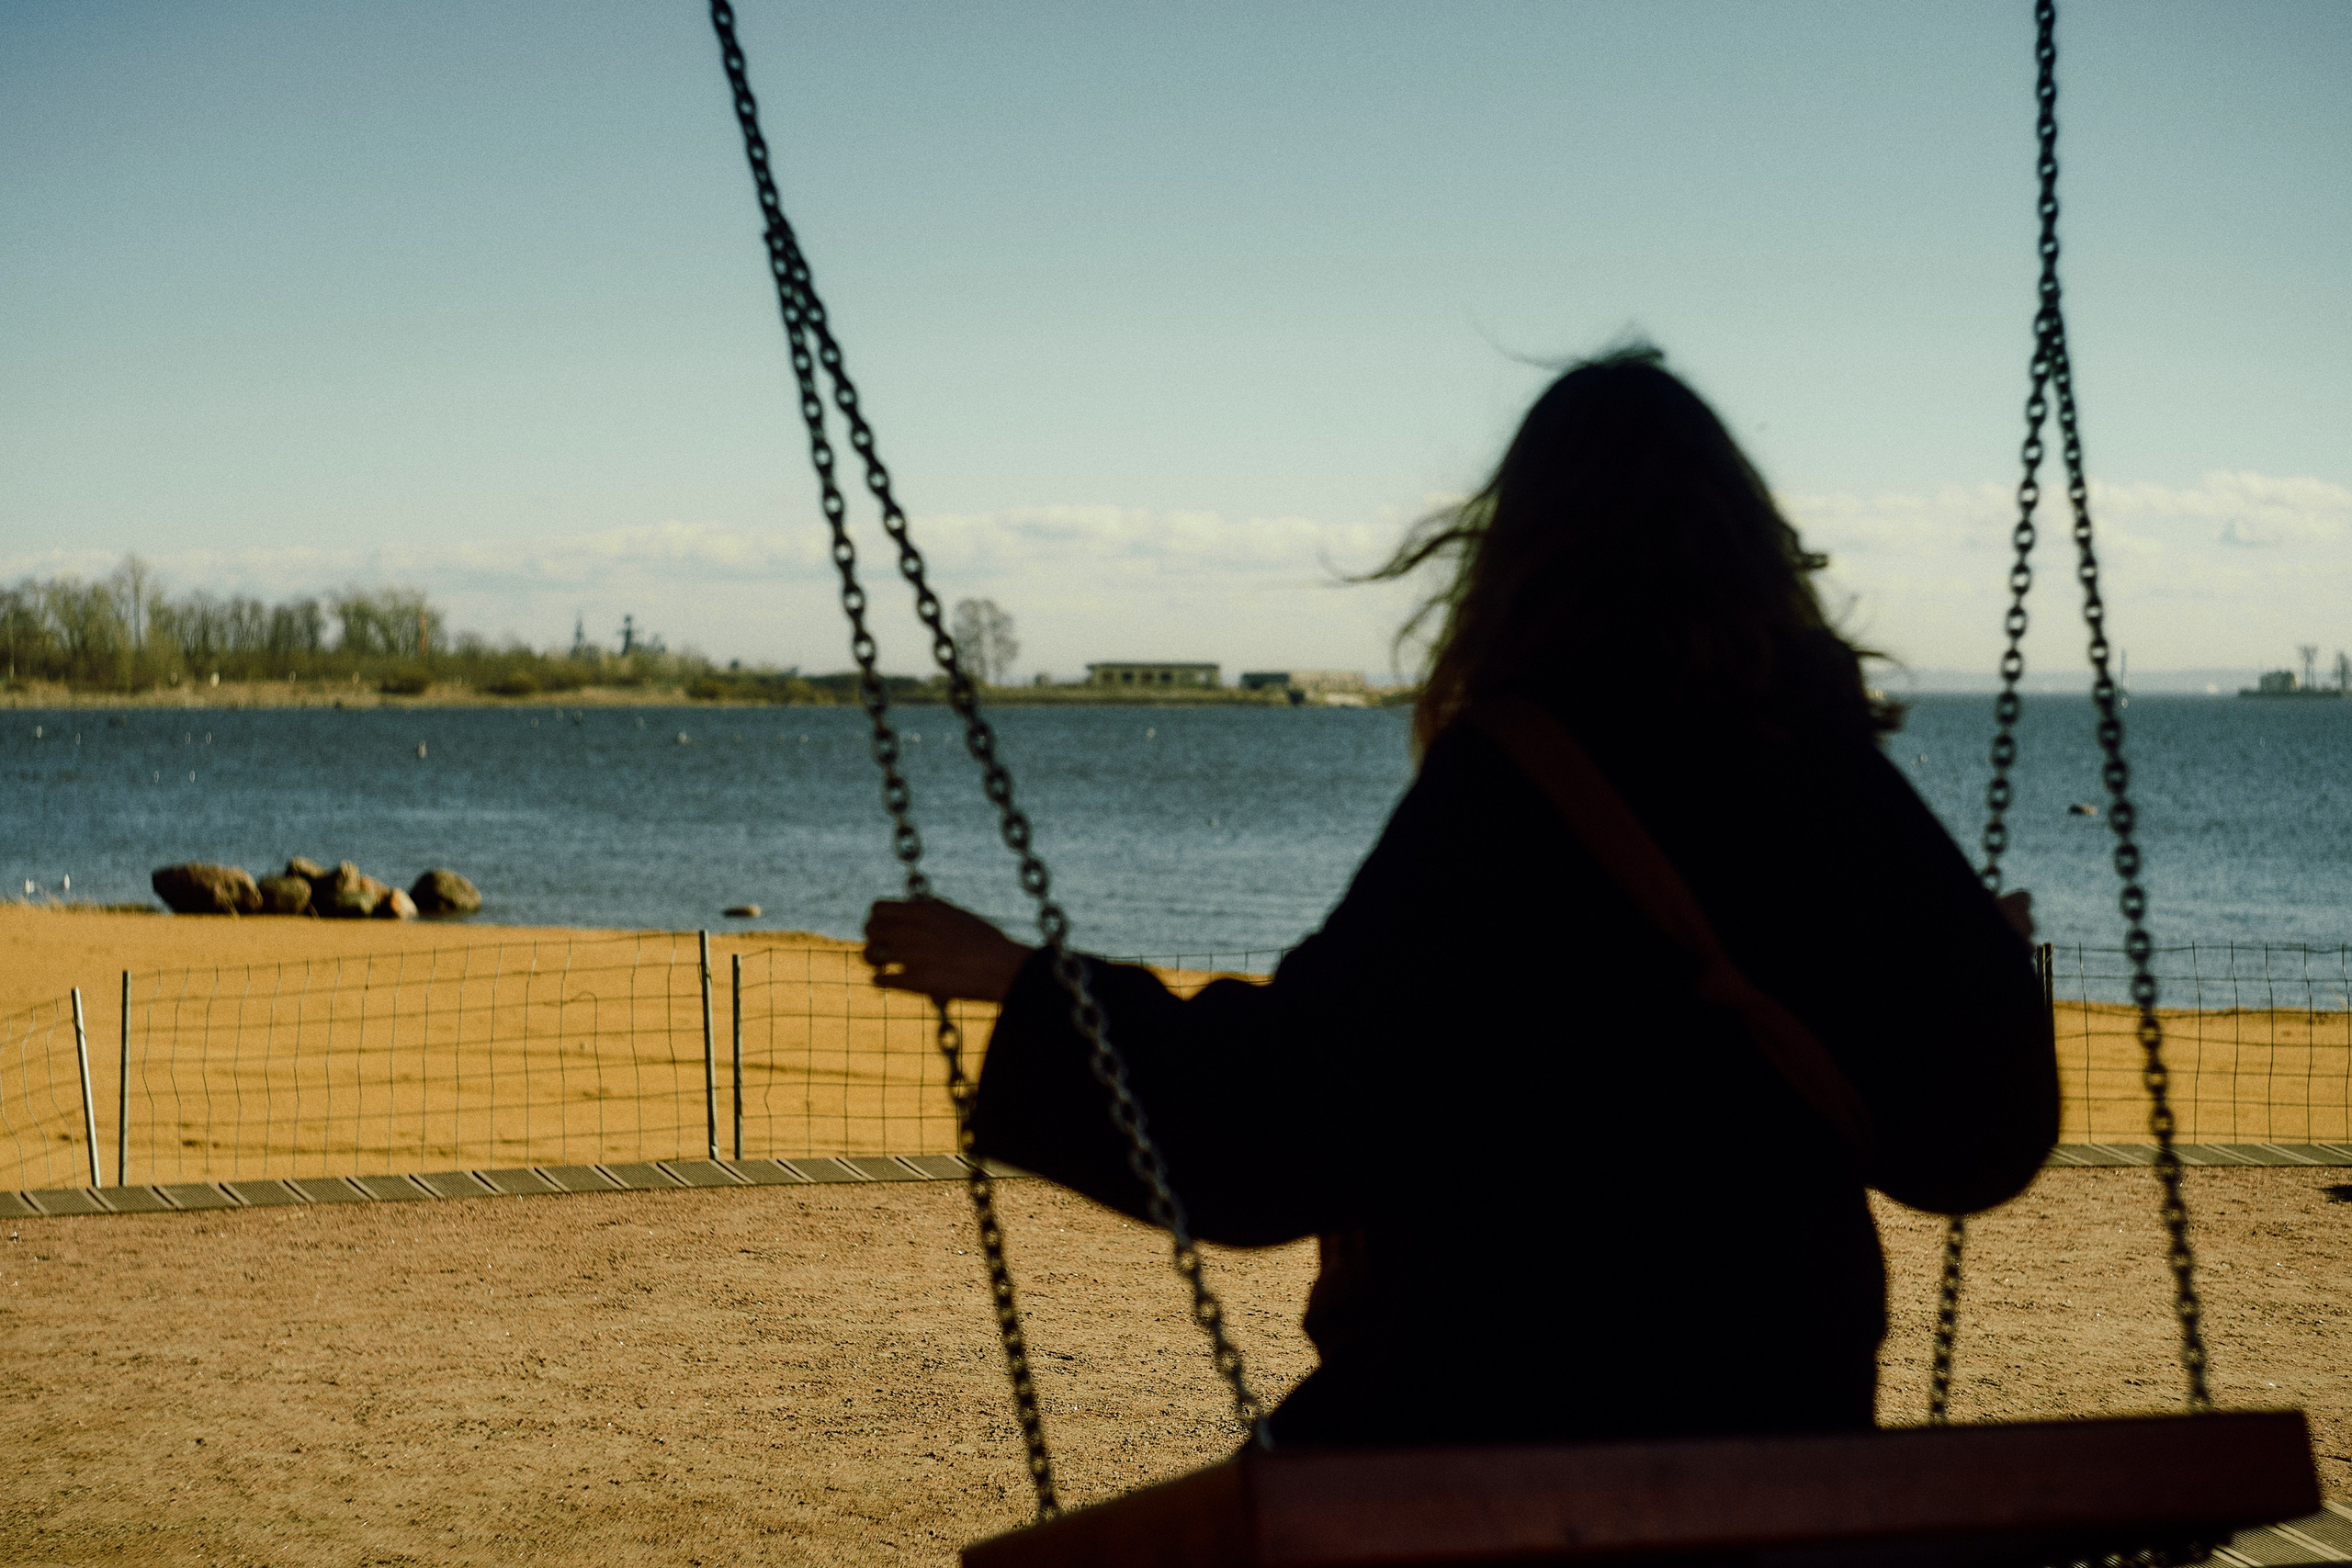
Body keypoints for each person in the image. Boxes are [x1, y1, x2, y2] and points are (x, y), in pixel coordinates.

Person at [862, 346, 2057, 1450]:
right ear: (1748, 542)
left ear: (1518, 551)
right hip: (1783, 1414)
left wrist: (1026, 984)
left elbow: (1291, 1110)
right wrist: (1983, 985)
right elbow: (1976, 1149)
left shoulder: (1521, 780)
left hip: (1510, 1416)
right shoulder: (1829, 773)